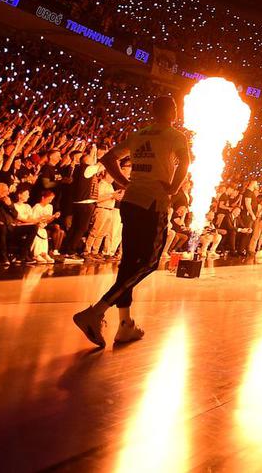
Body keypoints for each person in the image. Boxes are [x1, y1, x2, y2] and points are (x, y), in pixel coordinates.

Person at [72, 95, 190, 348]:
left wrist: (126, 183)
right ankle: (97, 311)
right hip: (152, 204)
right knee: (148, 262)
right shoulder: (174, 136)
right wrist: (173, 188)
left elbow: (107, 159)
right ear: (173, 112)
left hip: (131, 201)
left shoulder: (139, 134)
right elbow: (185, 163)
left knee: (128, 264)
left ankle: (125, 325)